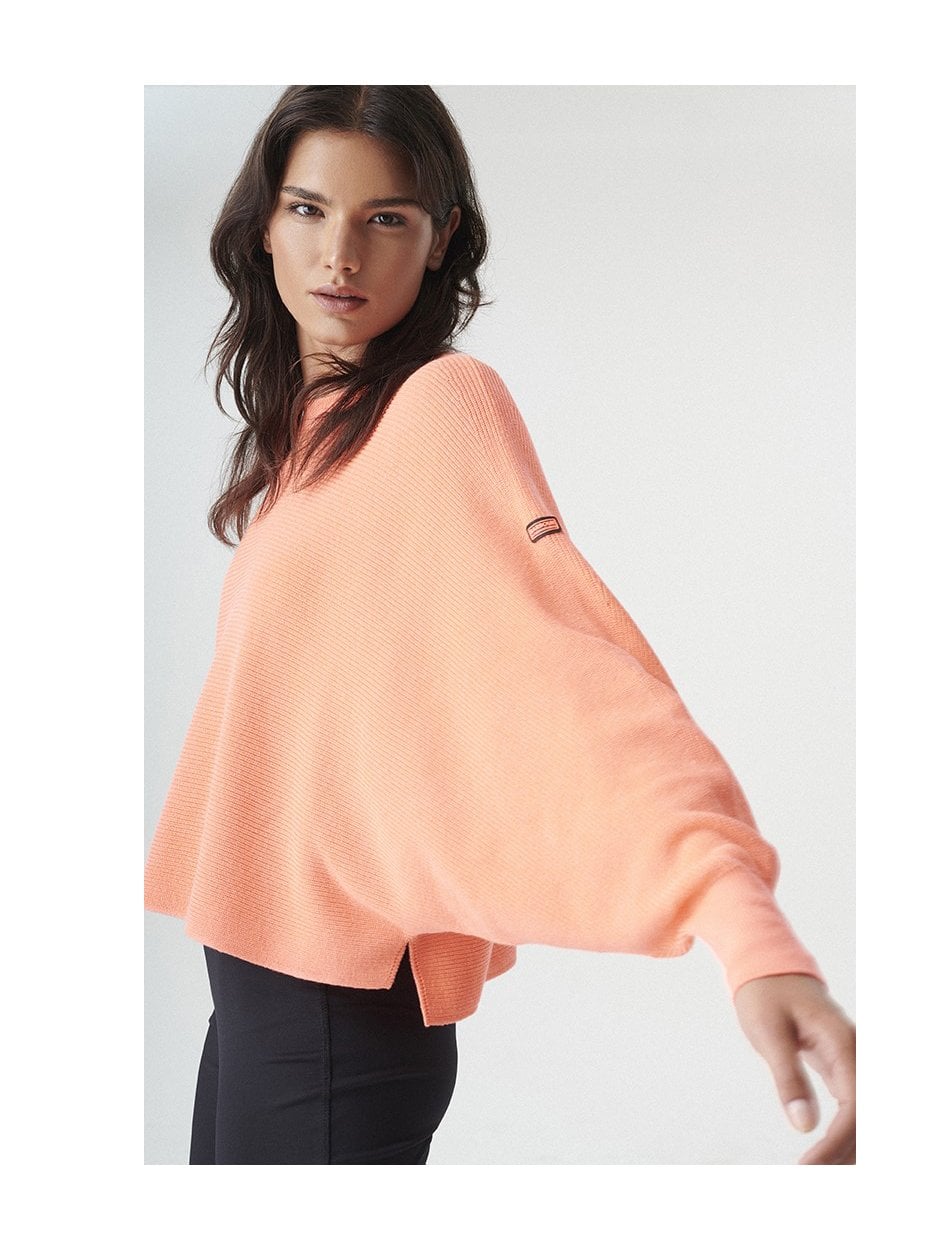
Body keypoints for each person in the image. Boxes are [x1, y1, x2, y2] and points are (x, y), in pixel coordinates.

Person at [144, 84, 856, 1166]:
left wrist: (745, 928)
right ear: (264, 223)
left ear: (441, 240)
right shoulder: (311, 435)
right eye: (309, 209)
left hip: (335, 1029)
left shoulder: (441, 405)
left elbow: (570, 674)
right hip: (258, 1005)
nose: (341, 253)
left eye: (386, 217)